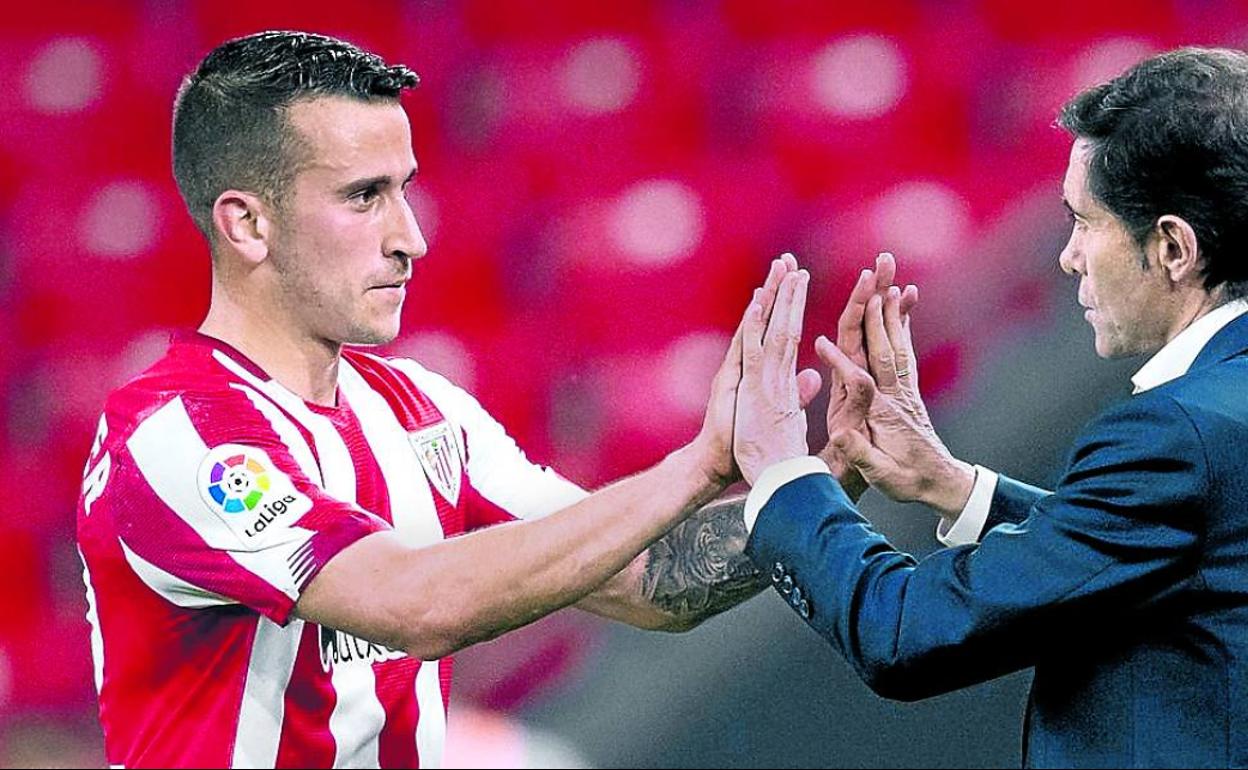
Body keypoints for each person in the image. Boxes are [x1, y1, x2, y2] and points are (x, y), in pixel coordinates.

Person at [74, 31, 824, 768]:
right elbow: (416, 605)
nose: (412, 239)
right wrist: (697, 467)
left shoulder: (422, 410)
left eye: (404, 189)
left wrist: (820, 482)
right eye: (364, 197)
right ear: (247, 223)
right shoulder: (173, 435)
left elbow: (653, 583)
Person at [731, 47, 1248, 768]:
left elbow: (906, 633)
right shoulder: (1218, 423)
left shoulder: (1175, 436)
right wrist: (958, 488)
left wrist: (785, 477)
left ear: (1171, 247)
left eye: (1085, 222)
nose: (1068, 257)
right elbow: (1161, 558)